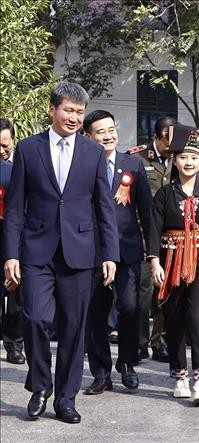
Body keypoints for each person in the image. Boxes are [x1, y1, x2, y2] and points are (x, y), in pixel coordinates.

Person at [2, 81, 119, 423]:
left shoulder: (93, 152)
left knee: (73, 328)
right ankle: (41, 385)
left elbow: (104, 208)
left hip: (81, 253)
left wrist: (109, 254)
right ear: (52, 109)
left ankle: (65, 399)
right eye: (68, 110)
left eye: (79, 112)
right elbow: (15, 208)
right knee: (36, 318)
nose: (74, 118)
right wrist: (10, 254)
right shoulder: (28, 148)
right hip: (36, 251)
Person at [148, 123, 199, 404]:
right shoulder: (164, 195)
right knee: (174, 320)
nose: (189, 162)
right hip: (170, 263)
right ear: (175, 159)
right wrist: (155, 262)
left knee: (198, 318)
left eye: (195, 157)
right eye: (183, 157)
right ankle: (180, 376)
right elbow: (153, 230)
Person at [82, 110, 152, 395]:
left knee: (130, 307)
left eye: (111, 129)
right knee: (95, 314)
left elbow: (146, 211)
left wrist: (153, 251)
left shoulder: (133, 165)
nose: (108, 135)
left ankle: (127, 362)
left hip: (128, 249)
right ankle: (101, 373)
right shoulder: (82, 164)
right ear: (88, 136)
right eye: (101, 131)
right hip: (91, 252)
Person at [128, 116, 177, 363]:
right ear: (156, 137)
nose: (172, 143)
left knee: (165, 294)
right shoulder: (136, 159)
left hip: (171, 238)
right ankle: (138, 345)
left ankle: (160, 342)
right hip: (144, 237)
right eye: (167, 138)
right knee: (142, 294)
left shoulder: (182, 158)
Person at [0, 119, 24, 365]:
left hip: (19, 235)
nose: (1, 150)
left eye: (4, 145)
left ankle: (15, 345)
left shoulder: (23, 162)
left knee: (17, 295)